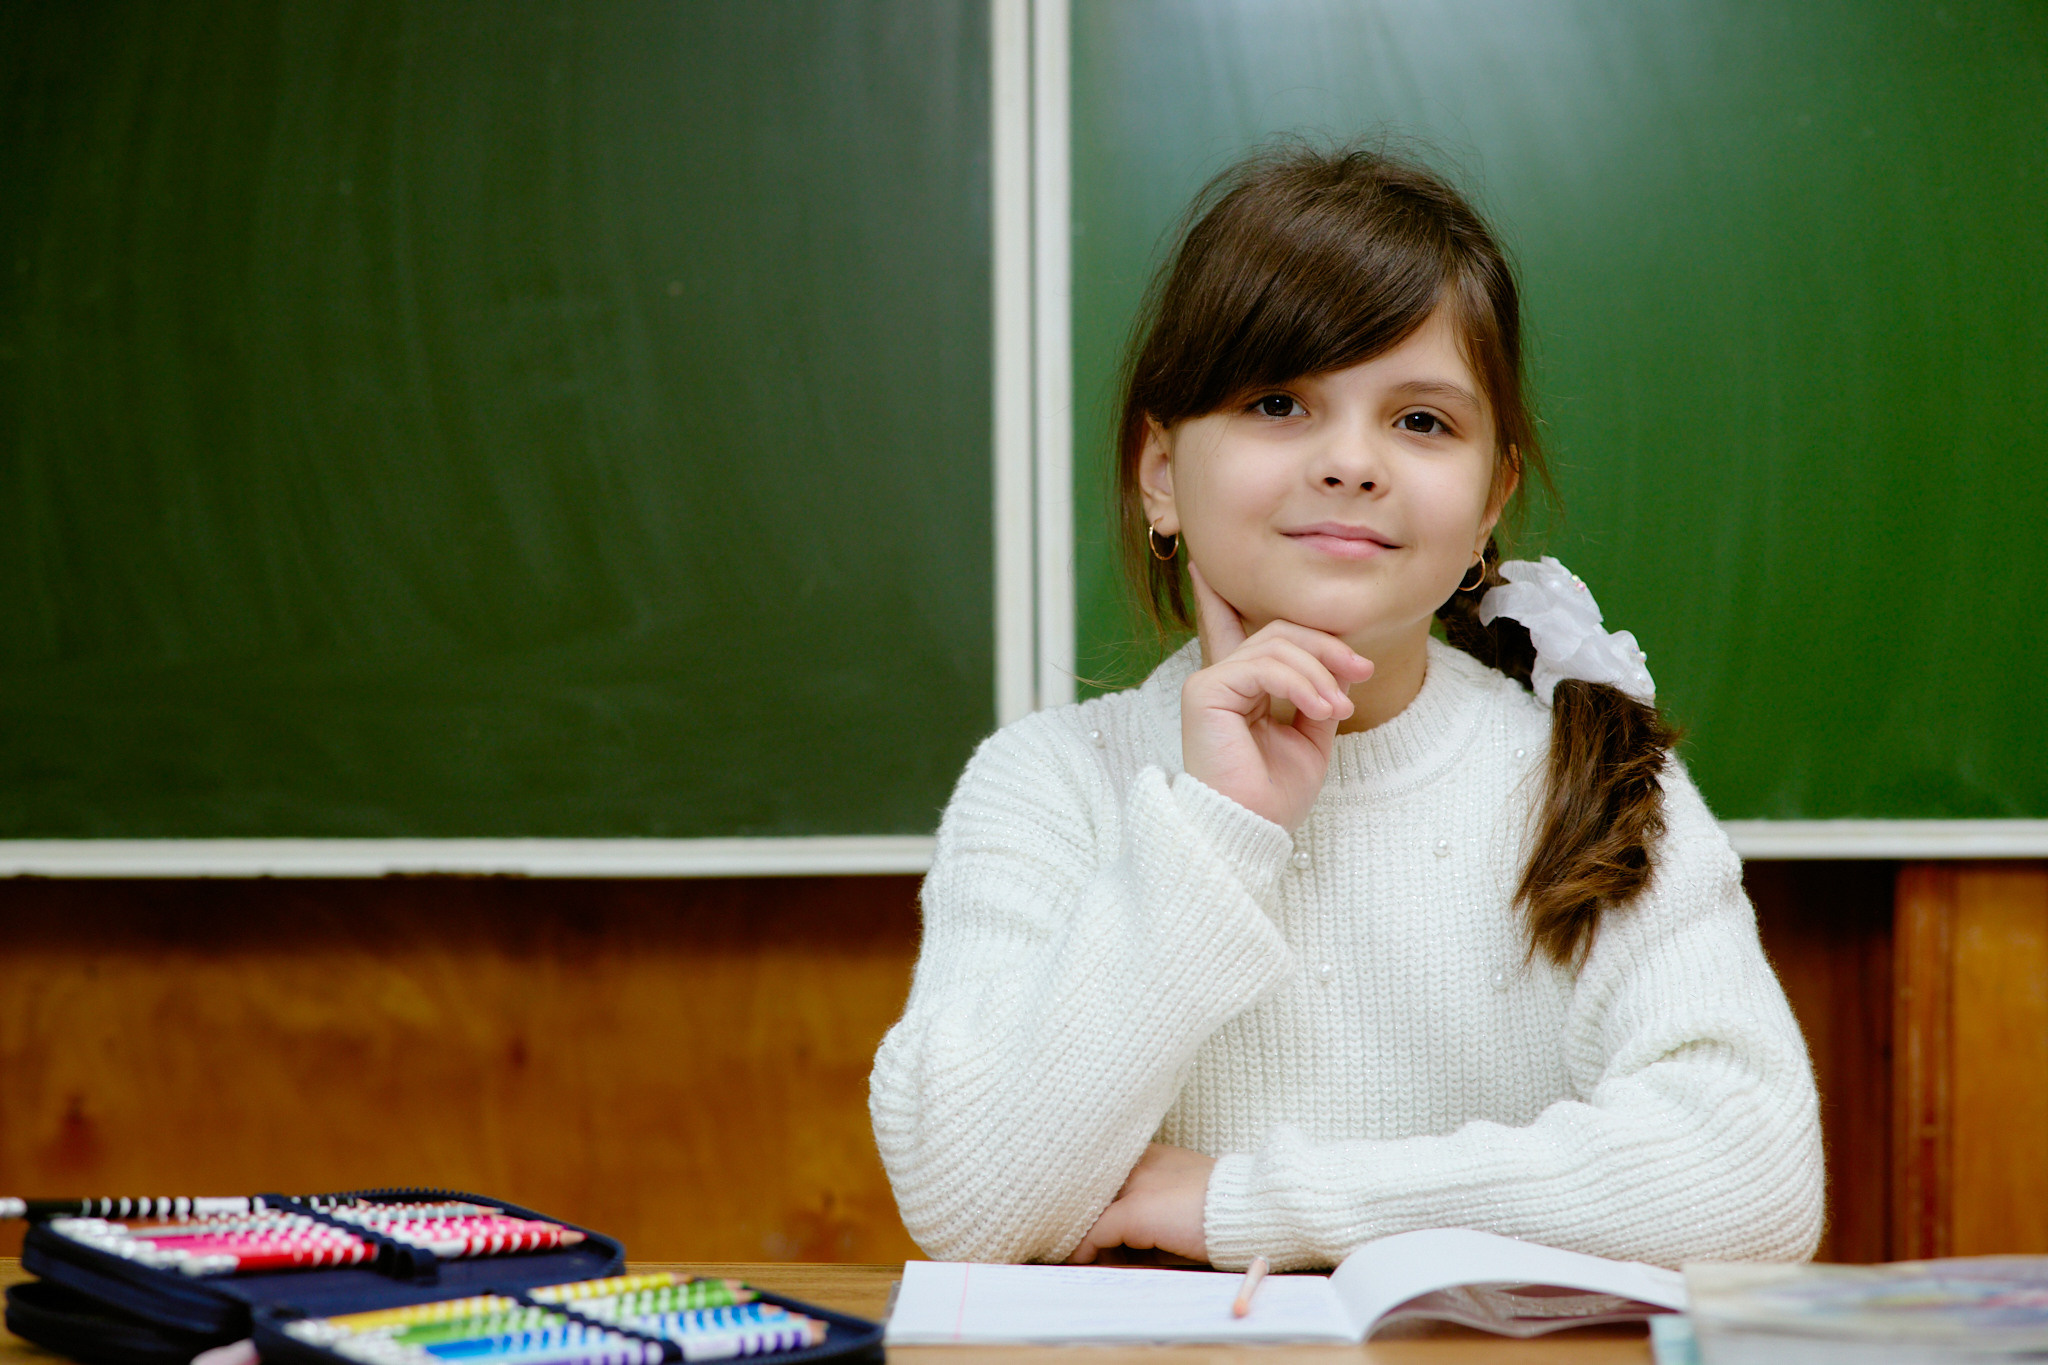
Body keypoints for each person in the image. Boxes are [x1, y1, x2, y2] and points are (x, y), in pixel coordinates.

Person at [868, 143, 1823, 1272]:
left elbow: (1753, 1183)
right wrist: (1219, 829)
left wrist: (1247, 1203)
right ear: (1160, 472)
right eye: (1279, 402)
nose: (1352, 463)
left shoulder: (1588, 775)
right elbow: (972, 1204)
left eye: (1422, 422)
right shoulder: (1049, 782)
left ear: (1490, 500)